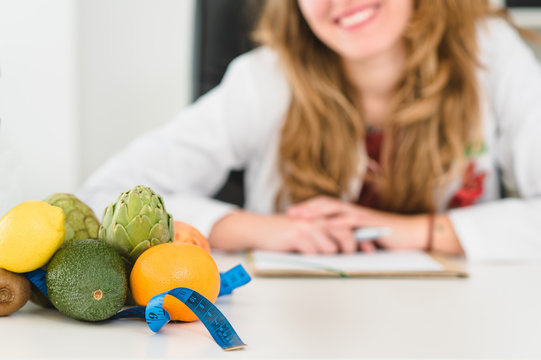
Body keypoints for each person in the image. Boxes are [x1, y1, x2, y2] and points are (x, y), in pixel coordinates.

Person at [78, 0, 541, 261]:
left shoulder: (491, 53)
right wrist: (257, 228)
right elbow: (105, 193)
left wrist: (416, 231)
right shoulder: (264, 79)